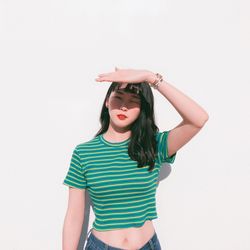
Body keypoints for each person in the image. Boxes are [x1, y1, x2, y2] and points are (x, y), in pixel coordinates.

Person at [62, 67, 209, 250]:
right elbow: (75, 214)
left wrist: (151, 78)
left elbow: (199, 119)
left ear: (141, 109)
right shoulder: (84, 153)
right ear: (107, 101)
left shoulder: (154, 145)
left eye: (133, 101)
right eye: (119, 98)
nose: (124, 106)